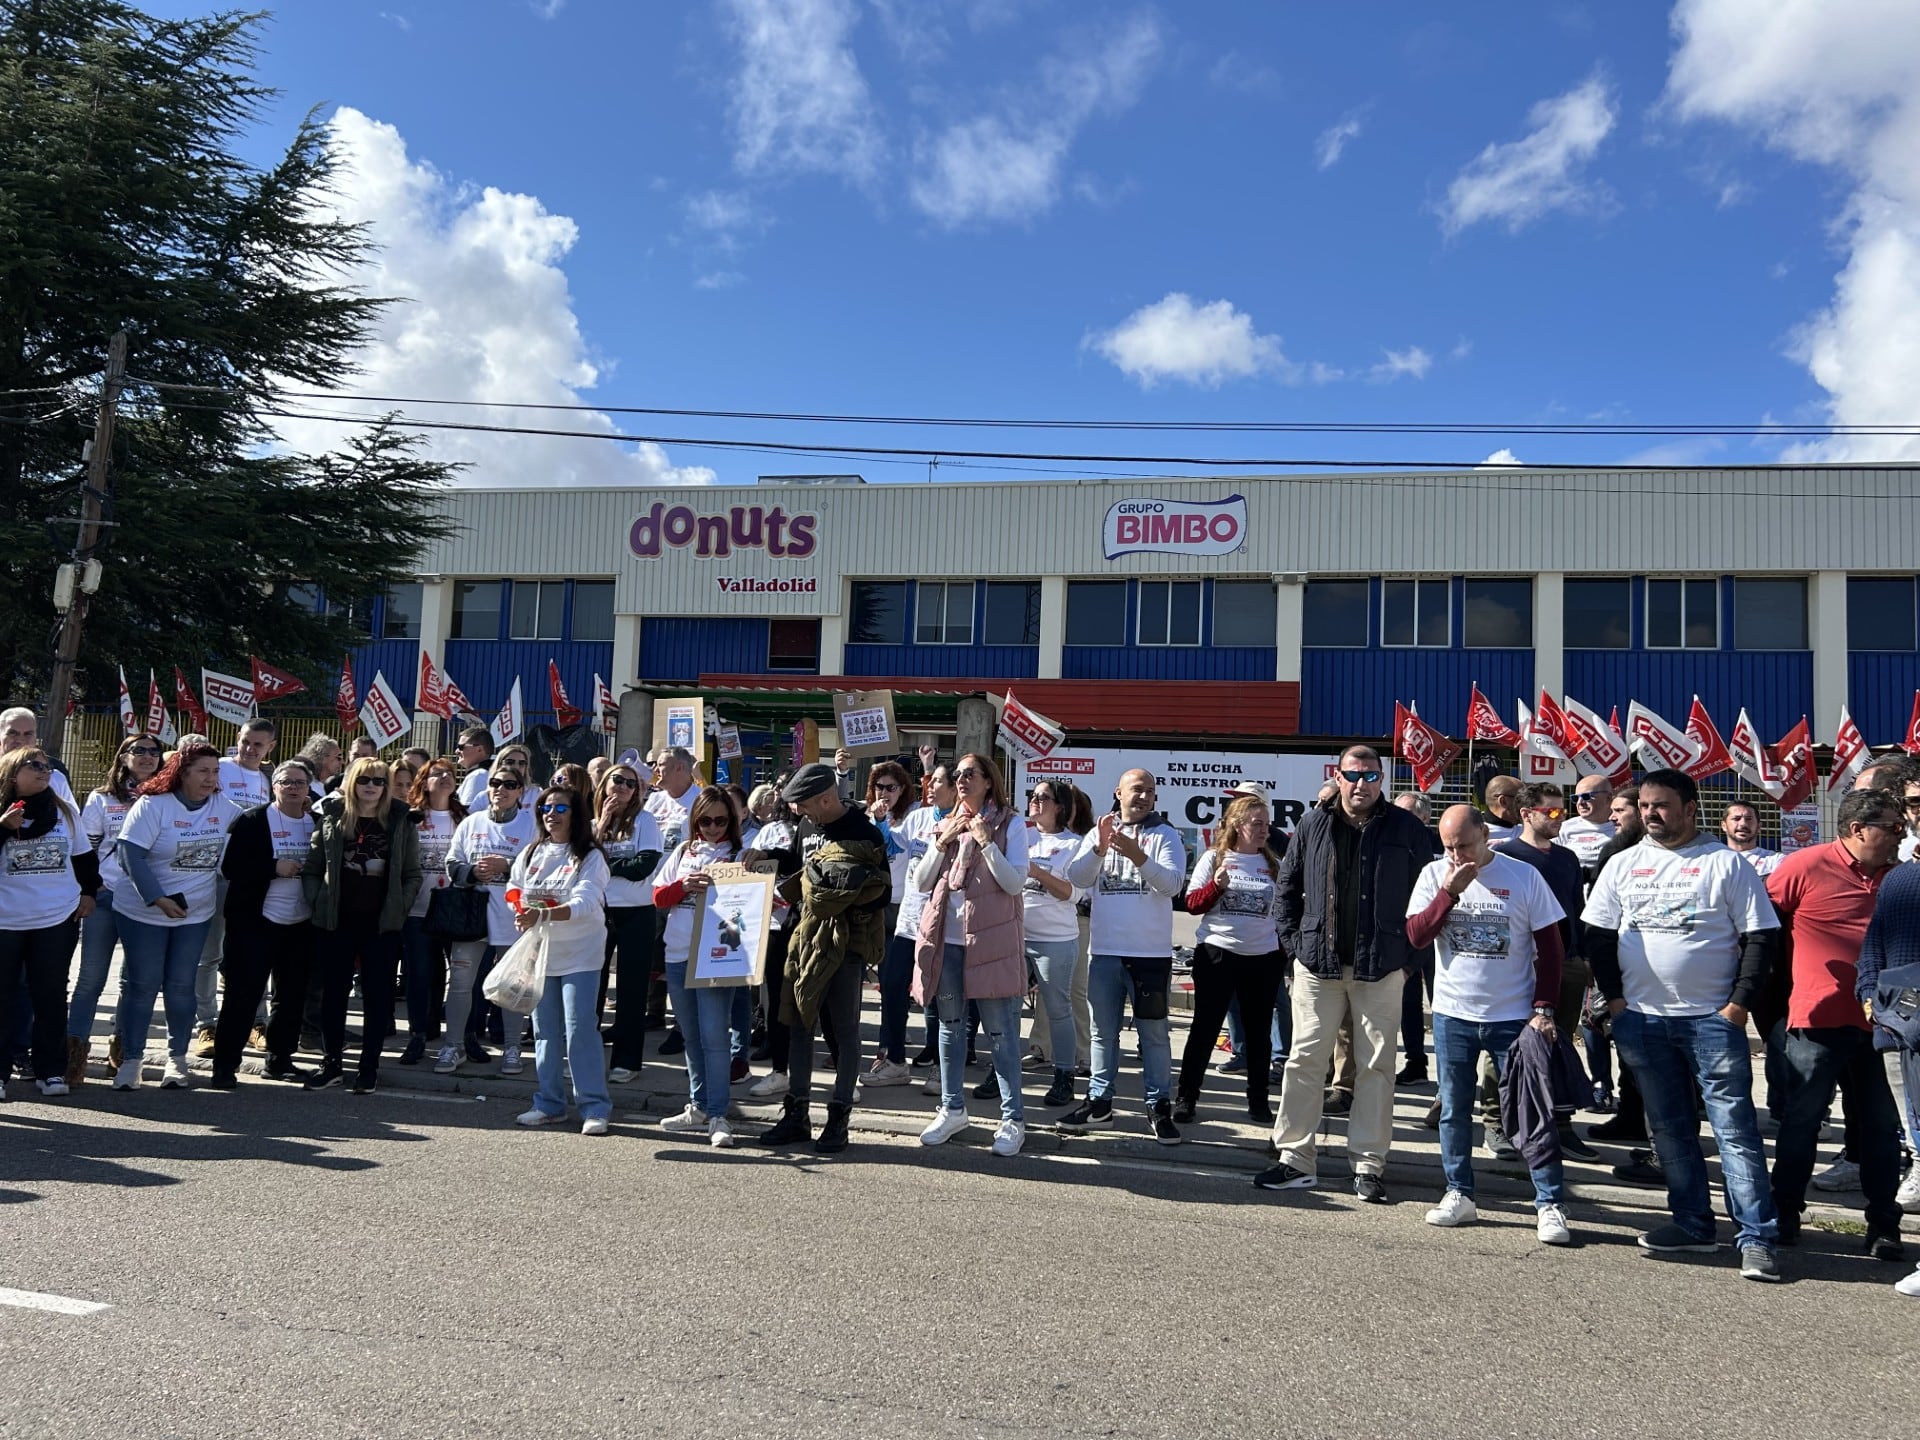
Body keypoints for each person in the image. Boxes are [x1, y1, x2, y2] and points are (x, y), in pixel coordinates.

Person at [1582, 768, 1784, 1282]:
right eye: (1645, 805)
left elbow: (1761, 939)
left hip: (1711, 1022)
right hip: (1642, 1022)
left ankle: (1756, 1236)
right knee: (1670, 1130)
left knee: (1734, 1131)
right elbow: (1598, 936)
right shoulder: (1624, 863)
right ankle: (1693, 1225)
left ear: (1691, 807)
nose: (1651, 813)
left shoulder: (1726, 865)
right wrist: (1619, 1003)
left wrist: (1737, 1006)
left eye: (1662, 804)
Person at [1258, 744, 1427, 1202]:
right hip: (1319, 967)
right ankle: (1295, 1159)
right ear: (1339, 775)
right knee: (1304, 1061)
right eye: (1353, 775)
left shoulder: (1407, 829)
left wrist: (1409, 962)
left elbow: (1428, 897)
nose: (1361, 785)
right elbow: (1287, 890)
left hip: (1383, 968)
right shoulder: (1313, 823)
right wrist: (1296, 947)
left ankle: (1369, 1165)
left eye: (1371, 777)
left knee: (1377, 1067)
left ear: (1382, 781)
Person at [1408, 805, 1572, 1244]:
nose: (1456, 854)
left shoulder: (1522, 876)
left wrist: (1545, 1008)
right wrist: (1449, 893)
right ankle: (1459, 1192)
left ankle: (1550, 1202)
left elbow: (1551, 949)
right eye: (1448, 847)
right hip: (1452, 1013)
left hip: (1513, 1015)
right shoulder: (1434, 874)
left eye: (1463, 845)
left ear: (1486, 835)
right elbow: (1417, 936)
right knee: (1454, 1111)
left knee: (1532, 1111)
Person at [1764, 787, 1908, 1262]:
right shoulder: (1803, 867)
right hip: (1816, 1019)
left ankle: (1884, 1225)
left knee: (1881, 1128)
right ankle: (1784, 1213)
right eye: (1891, 826)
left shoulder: (1903, 878)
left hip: (1885, 1028)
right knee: (1802, 1122)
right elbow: (1762, 930)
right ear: (1857, 830)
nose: (1899, 833)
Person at [755, 763, 889, 1155]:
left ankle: (838, 1118)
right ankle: (796, 1115)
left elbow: (882, 894)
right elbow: (799, 865)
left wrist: (838, 889)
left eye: (807, 805)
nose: (801, 813)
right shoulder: (807, 827)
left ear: (826, 798)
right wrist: (768, 855)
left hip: (844, 946)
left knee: (845, 1031)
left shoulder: (863, 832)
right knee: (798, 1024)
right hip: (803, 938)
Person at [911, 753, 1031, 1156]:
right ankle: (952, 1109)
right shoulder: (945, 822)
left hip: (991, 944)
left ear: (988, 781)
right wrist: (943, 843)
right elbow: (922, 882)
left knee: (1000, 1033)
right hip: (948, 941)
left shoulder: (1011, 823)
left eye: (969, 774)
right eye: (957, 775)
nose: (961, 780)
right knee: (950, 1026)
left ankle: (1012, 1118)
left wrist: (984, 842)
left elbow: (1015, 884)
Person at [1061, 768, 1188, 1142]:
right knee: (1103, 1033)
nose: (1144, 796)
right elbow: (1078, 878)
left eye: (1150, 791)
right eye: (1137, 789)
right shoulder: (1098, 831)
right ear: (1119, 792)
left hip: (1149, 955)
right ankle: (1099, 1104)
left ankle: (1158, 1106)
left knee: (1154, 1035)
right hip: (1105, 952)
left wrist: (1138, 856)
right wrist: (1100, 847)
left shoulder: (1166, 835)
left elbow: (1172, 885)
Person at [110, 743, 241, 1090]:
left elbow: (256, 828)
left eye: (215, 772)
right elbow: (129, 855)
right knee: (142, 986)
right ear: (181, 772)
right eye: (202, 771)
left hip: (194, 914)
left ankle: (177, 1061)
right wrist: (157, 898)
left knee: (181, 987)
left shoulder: (225, 809)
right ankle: (132, 1061)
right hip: (144, 912)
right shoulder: (153, 806)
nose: (211, 779)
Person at [301, 755, 422, 1093]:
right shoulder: (332, 818)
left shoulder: (401, 821)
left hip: (381, 924)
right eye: (365, 780)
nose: (372, 786)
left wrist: (400, 906)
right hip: (335, 921)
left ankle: (369, 1067)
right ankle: (332, 1064)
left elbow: (413, 873)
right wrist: (317, 900)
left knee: (377, 997)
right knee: (333, 996)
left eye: (379, 781)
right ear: (352, 783)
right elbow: (312, 868)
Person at [1495, 781, 1599, 1160]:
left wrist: (1583, 957)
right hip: (1520, 965)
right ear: (1526, 814)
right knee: (1509, 1047)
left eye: (1562, 810)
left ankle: (1562, 1125)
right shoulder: (1506, 855)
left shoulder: (1567, 858)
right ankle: (1499, 1123)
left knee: (1561, 1046)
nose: (1560, 817)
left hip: (1566, 964)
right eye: (1551, 811)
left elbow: (1576, 909)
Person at [510, 781, 614, 1135]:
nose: (551, 814)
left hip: (581, 955)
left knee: (579, 1030)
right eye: (545, 808)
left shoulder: (590, 856)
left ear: (576, 814)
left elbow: (585, 905)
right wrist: (518, 907)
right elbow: (515, 886)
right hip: (542, 955)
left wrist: (543, 916)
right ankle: (550, 1104)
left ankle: (595, 1106)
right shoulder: (532, 852)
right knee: (544, 1033)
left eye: (560, 808)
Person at [1174, 793, 1285, 1125]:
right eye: (1257, 824)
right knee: (1205, 1030)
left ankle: (1258, 1101)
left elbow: (1285, 911)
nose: (1265, 830)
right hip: (1217, 954)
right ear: (1237, 825)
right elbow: (1192, 904)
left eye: (1267, 824)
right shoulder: (1214, 858)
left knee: (1258, 1033)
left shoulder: (1273, 864)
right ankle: (1186, 1097)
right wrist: (1217, 888)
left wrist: (1283, 952)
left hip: (1262, 958)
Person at [210, 761, 320, 1087]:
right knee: (242, 996)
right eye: (286, 781)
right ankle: (225, 1066)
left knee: (291, 997)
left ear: (308, 789)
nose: (293, 787)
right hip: (255, 923)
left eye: (300, 782)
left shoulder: (317, 823)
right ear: (274, 786)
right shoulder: (253, 820)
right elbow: (230, 867)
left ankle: (280, 1060)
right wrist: (274, 867)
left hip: (301, 923)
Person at [0, 747, 98, 1098]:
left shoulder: (64, 811)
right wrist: (2, 829)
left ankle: (51, 1071)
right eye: (35, 766)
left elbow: (84, 856)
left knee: (51, 995)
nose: (45, 771)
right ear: (13, 774)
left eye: (47, 766)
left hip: (57, 917)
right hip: (6, 920)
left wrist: (89, 893)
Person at [652, 789, 748, 1146]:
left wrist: (745, 868)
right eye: (704, 820)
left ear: (731, 822)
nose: (711, 828)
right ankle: (699, 1105)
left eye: (720, 821)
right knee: (691, 1036)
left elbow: (762, 896)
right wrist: (683, 885)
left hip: (717, 956)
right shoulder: (681, 852)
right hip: (677, 953)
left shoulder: (739, 854)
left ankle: (719, 1113)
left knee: (713, 1037)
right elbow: (658, 896)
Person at [66, 734, 162, 1084]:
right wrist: (92, 887)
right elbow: (85, 850)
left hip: (144, 902)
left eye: (155, 751)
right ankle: (74, 1055)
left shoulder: (166, 797)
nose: (148, 757)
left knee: (132, 982)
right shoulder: (102, 798)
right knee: (91, 978)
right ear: (123, 757)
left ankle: (121, 1053)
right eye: (139, 751)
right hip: (105, 898)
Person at [441, 765, 539, 1073]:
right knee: (459, 984)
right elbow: (451, 862)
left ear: (521, 791)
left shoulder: (531, 825)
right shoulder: (472, 822)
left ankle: (511, 1048)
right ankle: (453, 1046)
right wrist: (473, 872)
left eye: (510, 784)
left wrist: (508, 866)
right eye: (495, 783)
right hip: (471, 916)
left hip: (512, 918)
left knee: (512, 986)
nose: (501, 789)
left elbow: (539, 868)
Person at [1856, 861, 1920, 1294]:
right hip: (1902, 1029)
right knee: (1916, 1133)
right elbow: (1873, 945)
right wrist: (1868, 995)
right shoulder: (1899, 878)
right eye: (1915, 804)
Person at [1022, 778, 1089, 1109]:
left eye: (1043, 798)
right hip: (1014, 936)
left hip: (1055, 941)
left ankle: (1064, 1075)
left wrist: (1035, 871)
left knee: (1059, 1009)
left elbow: (1072, 893)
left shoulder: (1074, 844)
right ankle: (1001, 1070)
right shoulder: (1021, 836)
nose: (1035, 801)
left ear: (1060, 806)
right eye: (1032, 796)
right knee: (1004, 1007)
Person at [596, 762, 663, 1084]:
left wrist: (607, 863)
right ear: (605, 785)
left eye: (630, 784)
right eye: (617, 781)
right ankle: (588, 1056)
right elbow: (582, 861)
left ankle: (627, 1061)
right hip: (598, 912)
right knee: (591, 988)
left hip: (636, 911)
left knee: (631, 990)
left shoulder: (645, 821)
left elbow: (643, 866)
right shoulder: (593, 823)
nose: (622, 787)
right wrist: (603, 823)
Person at [398, 759, 466, 1065]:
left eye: (450, 774)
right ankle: (417, 1035)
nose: (444, 778)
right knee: (420, 974)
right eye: (436, 774)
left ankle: (455, 1036)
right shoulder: (411, 818)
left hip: (454, 910)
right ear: (423, 782)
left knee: (454, 976)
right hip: (417, 909)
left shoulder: (464, 818)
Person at [859, 759, 921, 1088]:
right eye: (879, 787)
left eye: (891, 787)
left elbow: (894, 846)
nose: (885, 793)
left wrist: (883, 822)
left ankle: (897, 1054)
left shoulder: (914, 817)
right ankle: (889, 1052)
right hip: (878, 906)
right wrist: (876, 819)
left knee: (898, 985)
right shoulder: (868, 816)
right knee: (887, 986)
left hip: (907, 908)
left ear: (903, 789)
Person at [742, 783, 799, 1098]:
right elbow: (755, 870)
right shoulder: (770, 830)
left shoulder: (812, 827)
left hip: (807, 923)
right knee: (775, 998)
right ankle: (779, 1069)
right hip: (774, 924)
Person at [1392, 791, 1442, 1085]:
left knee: (1442, 1002)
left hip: (1441, 935)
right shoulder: (1394, 842)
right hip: (1407, 932)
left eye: (1407, 813)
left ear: (1425, 817)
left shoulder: (1440, 843)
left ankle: (1449, 1065)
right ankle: (1415, 1062)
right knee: (1408, 1000)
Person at [1556, 775, 1616, 878]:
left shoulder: (1622, 827)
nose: (1580, 803)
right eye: (1575, 798)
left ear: (1608, 798)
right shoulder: (1564, 828)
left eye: (1586, 797)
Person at [1721, 801, 1782, 878]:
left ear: (1759, 827)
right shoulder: (1713, 860)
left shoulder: (1774, 860)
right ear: (1724, 826)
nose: (1743, 824)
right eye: (1736, 819)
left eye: (1749, 819)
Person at [454, 726, 495, 811]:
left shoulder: (478, 775)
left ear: (479, 749)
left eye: (461, 747)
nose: (457, 751)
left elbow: (468, 813)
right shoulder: (486, 773)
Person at [297, 734, 343, 800]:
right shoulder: (305, 786)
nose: (342, 762)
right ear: (322, 757)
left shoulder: (337, 785)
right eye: (338, 757)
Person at [1483, 775, 1524, 843]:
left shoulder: (1529, 831)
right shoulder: (1474, 834)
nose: (1527, 805)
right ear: (1503, 801)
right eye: (1521, 800)